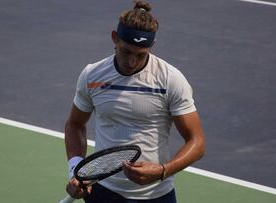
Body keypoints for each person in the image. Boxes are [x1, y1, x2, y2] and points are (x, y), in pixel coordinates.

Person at [64, 1, 205, 202]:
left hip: (156, 195)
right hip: (102, 192)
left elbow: (197, 142)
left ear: (152, 46)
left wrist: (162, 171)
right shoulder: (92, 75)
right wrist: (75, 170)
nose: (132, 62)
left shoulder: (170, 79)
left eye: (141, 55)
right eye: (126, 51)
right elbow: (75, 124)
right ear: (114, 38)